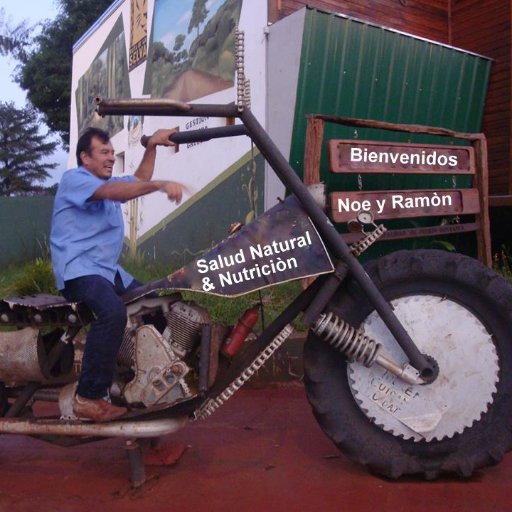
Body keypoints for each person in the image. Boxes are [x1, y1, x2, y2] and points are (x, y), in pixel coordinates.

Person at [50, 127, 185, 422]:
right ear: (85, 157)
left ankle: (154, 377)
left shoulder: (108, 182)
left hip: (107, 271)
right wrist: (161, 185)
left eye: (113, 152)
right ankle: (88, 397)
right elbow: (118, 191)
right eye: (104, 152)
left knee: (157, 303)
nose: (111, 158)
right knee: (112, 312)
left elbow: (137, 181)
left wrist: (152, 147)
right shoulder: (76, 180)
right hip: (79, 271)